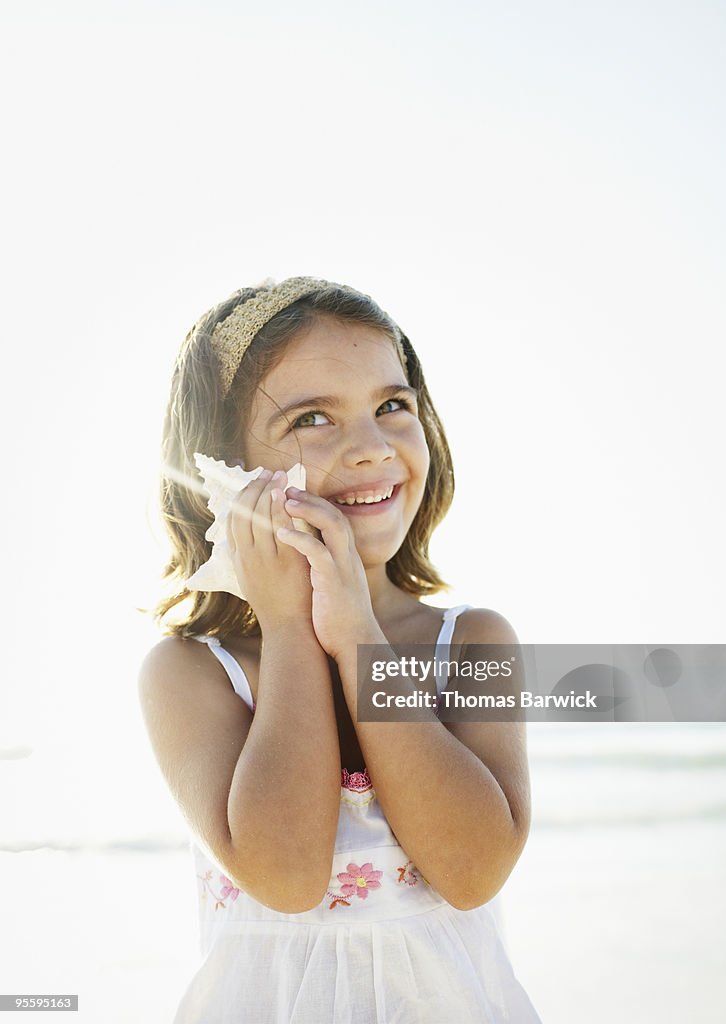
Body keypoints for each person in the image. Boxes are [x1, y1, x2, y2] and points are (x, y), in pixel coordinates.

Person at [139, 276, 542, 1023]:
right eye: (312, 418)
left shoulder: (472, 643)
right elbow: (285, 878)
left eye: (392, 406)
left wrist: (356, 634)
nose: (370, 449)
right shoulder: (195, 673)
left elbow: (472, 870)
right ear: (219, 475)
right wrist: (291, 629)